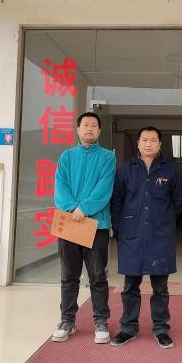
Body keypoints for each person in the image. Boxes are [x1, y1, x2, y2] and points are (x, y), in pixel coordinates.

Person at [110, 126, 182, 349]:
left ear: (160, 144)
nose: (148, 143)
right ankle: (128, 327)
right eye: (144, 139)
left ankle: (161, 329)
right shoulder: (125, 169)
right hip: (131, 233)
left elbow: (179, 201)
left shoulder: (170, 170)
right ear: (138, 143)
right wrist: (120, 227)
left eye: (153, 140)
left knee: (160, 287)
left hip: (159, 235)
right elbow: (117, 200)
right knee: (130, 285)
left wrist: (164, 220)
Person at [51, 112, 116, 344]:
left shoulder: (108, 158)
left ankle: (101, 321)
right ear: (78, 130)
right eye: (85, 125)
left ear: (99, 131)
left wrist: (85, 208)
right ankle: (67, 320)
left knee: (97, 276)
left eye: (94, 125)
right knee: (69, 275)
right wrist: (72, 208)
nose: (89, 128)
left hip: (96, 225)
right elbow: (60, 185)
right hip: (69, 222)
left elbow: (104, 188)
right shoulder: (66, 156)